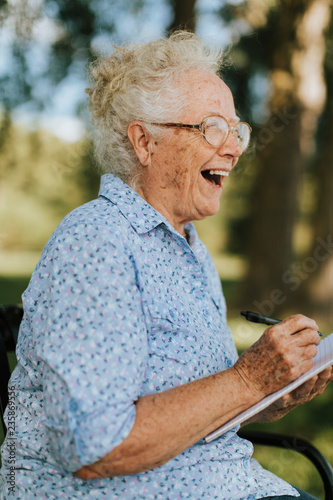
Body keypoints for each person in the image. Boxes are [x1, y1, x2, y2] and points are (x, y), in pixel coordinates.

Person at [0, 31, 332, 500]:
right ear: (144, 143)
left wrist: (270, 392)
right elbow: (92, 446)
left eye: (237, 130)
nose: (235, 147)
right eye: (212, 127)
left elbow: (193, 406)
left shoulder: (190, 248)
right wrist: (247, 378)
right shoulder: (96, 243)